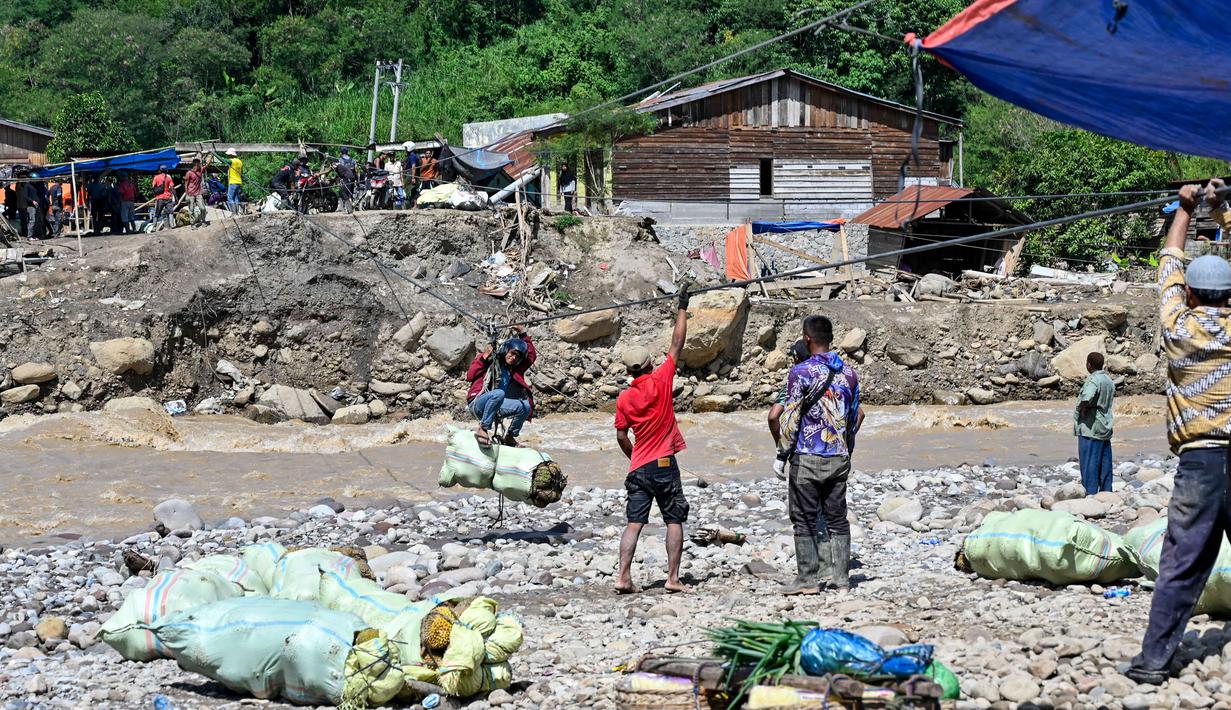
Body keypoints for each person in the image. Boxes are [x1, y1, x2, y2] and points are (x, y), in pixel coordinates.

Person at [1127, 183, 1231, 685]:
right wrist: (1223, 210)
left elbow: (1170, 262)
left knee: (1181, 565)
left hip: (1200, 465)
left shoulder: (1178, 327)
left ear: (1190, 294)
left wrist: (1187, 209)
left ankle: (1153, 662)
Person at [613, 286, 691, 595]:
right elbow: (677, 342)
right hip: (664, 464)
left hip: (639, 467)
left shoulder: (623, 399)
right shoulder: (661, 378)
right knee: (673, 519)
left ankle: (623, 577)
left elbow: (621, 436)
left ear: (628, 370)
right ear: (649, 364)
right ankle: (672, 578)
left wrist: (634, 456)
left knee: (634, 523)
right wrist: (682, 306)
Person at [779, 315, 863, 595]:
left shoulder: (800, 372)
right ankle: (842, 579)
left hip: (807, 457)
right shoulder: (849, 373)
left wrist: (781, 454)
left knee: (803, 519)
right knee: (837, 519)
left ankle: (807, 579)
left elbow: (790, 418)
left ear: (807, 339)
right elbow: (853, 417)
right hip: (839, 456)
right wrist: (847, 451)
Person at [465, 325, 536, 447]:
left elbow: (531, 356)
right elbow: (469, 376)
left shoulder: (514, 369)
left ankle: (510, 436)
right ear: (506, 350)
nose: (513, 357)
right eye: (512, 353)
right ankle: (483, 429)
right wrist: (484, 358)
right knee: (499, 393)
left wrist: (523, 334)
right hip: (477, 403)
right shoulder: (490, 360)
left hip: (497, 405)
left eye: (517, 356)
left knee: (525, 406)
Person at [768, 339, 813, 477]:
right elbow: (860, 414)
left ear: (796, 358)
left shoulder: (794, 381)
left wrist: (781, 450)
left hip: (801, 451)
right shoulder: (830, 375)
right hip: (833, 451)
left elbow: (773, 417)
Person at [1074, 351, 1115, 494]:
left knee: (1089, 462)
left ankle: (1090, 493)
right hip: (1105, 425)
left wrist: (1083, 408)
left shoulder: (1093, 380)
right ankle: (1106, 492)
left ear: (1089, 365)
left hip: (1091, 427)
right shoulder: (1108, 380)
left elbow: (1087, 397)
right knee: (1105, 462)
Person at [151, 165, 176, 231]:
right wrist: (175, 197)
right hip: (168, 197)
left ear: (160, 170)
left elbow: (153, 187)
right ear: (166, 170)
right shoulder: (168, 178)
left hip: (160, 198)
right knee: (170, 212)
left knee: (157, 213)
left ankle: (154, 227)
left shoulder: (156, 177)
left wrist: (156, 193)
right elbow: (172, 188)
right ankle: (172, 225)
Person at [224, 148, 244, 213]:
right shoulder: (240, 162)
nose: (228, 156)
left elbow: (223, 160)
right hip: (239, 182)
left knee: (230, 198)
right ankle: (237, 213)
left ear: (231, 155)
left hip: (233, 182)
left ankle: (234, 213)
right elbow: (242, 173)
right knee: (236, 198)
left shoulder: (231, 161)